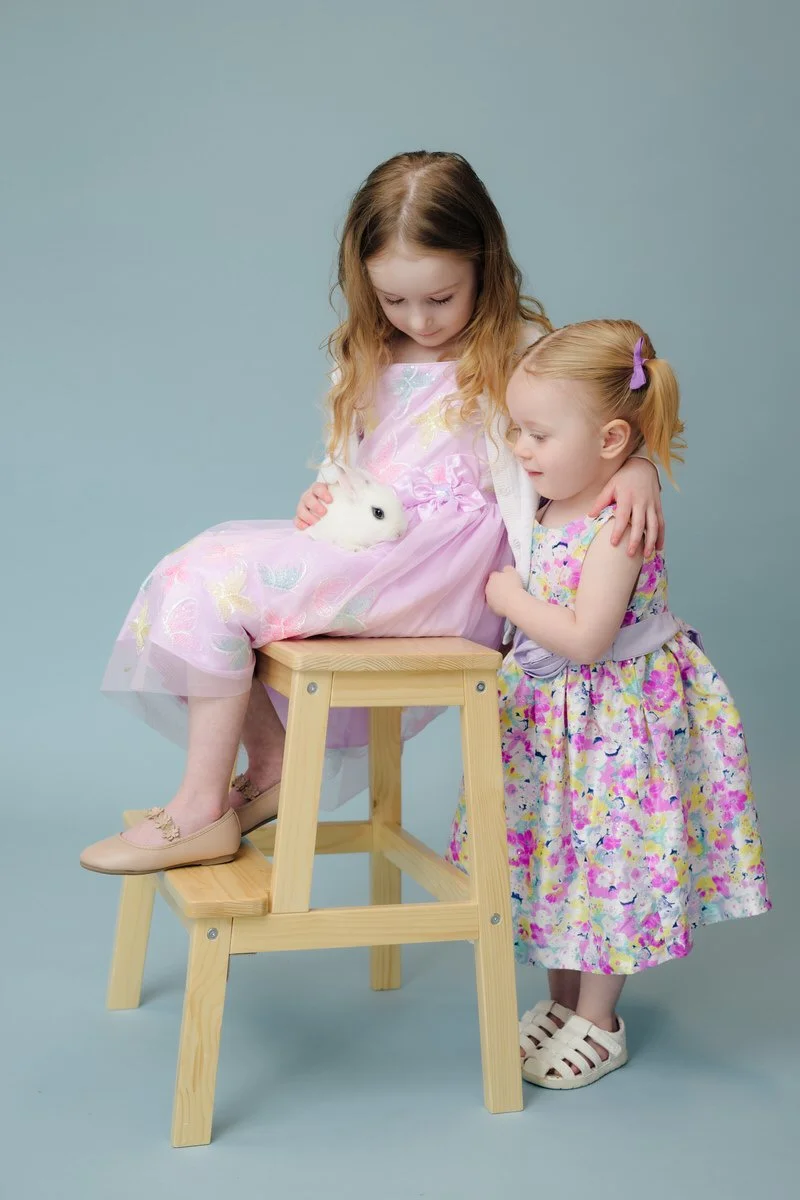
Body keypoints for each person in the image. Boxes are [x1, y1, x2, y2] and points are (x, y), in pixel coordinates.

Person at [80, 154, 662, 875]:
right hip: (376, 545)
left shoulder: (519, 350)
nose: (419, 319)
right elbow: (352, 466)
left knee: (222, 585)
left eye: (440, 298)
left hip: (450, 571)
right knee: (197, 565)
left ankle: (200, 809)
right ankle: (269, 763)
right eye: (395, 301)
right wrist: (325, 496)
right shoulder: (364, 352)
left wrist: (636, 467)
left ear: (484, 265)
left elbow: (594, 422)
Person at [449, 319, 770, 1089]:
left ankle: (600, 1019)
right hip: (548, 722)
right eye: (517, 430)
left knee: (606, 860)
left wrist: (506, 598)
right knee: (553, 854)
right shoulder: (547, 500)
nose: (520, 448)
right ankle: (562, 1001)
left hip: (609, 719)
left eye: (538, 434)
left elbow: (588, 638)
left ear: (611, 439)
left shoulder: (617, 523)